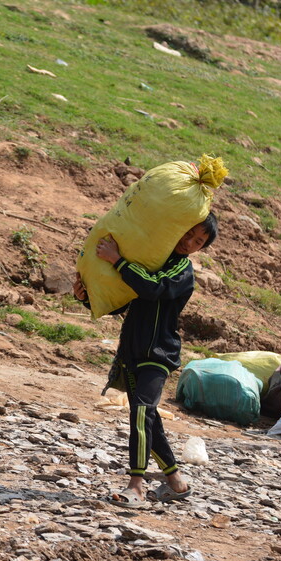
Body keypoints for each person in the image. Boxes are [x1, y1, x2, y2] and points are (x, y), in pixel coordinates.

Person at [73, 212, 218, 508]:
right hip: (131, 352)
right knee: (149, 418)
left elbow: (153, 289)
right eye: (188, 234)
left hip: (158, 353)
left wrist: (119, 261)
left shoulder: (181, 270)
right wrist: (85, 297)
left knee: (140, 413)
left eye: (198, 241)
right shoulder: (149, 259)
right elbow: (121, 301)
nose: (189, 243)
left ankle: (136, 487)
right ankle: (176, 483)